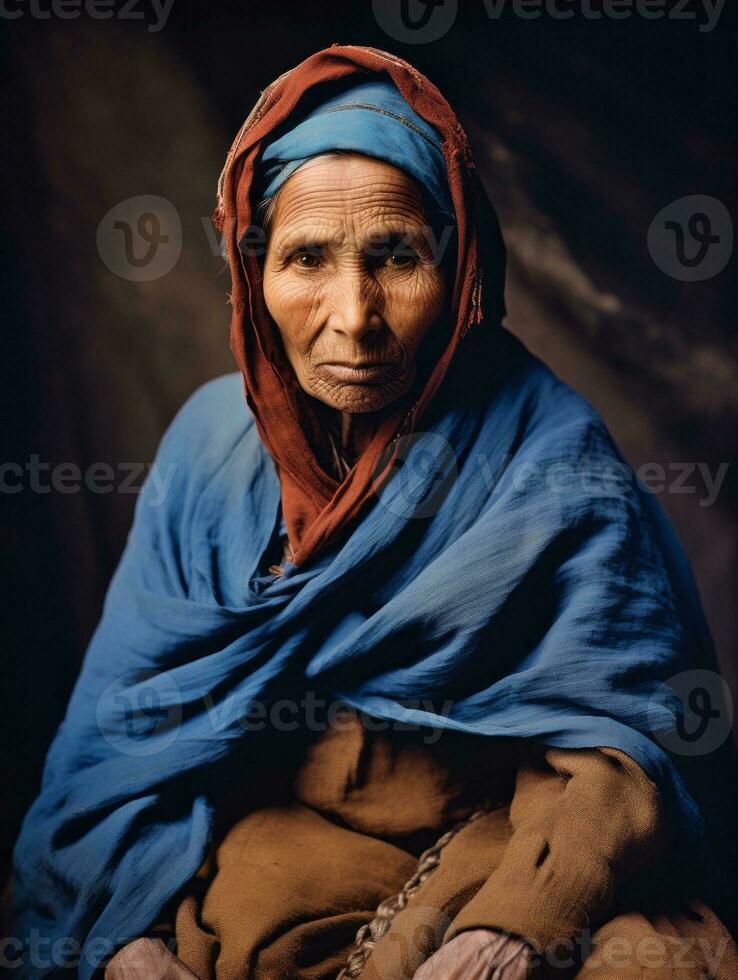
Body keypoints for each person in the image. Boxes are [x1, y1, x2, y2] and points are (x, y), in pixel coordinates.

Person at [11, 45, 738, 980]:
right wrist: (125, 946)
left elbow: (622, 747)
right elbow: (119, 744)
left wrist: (510, 931)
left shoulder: (550, 451)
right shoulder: (207, 453)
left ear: (461, 260)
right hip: (275, 856)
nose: (355, 316)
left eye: (398, 257)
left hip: (505, 846)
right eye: (307, 257)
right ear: (253, 270)